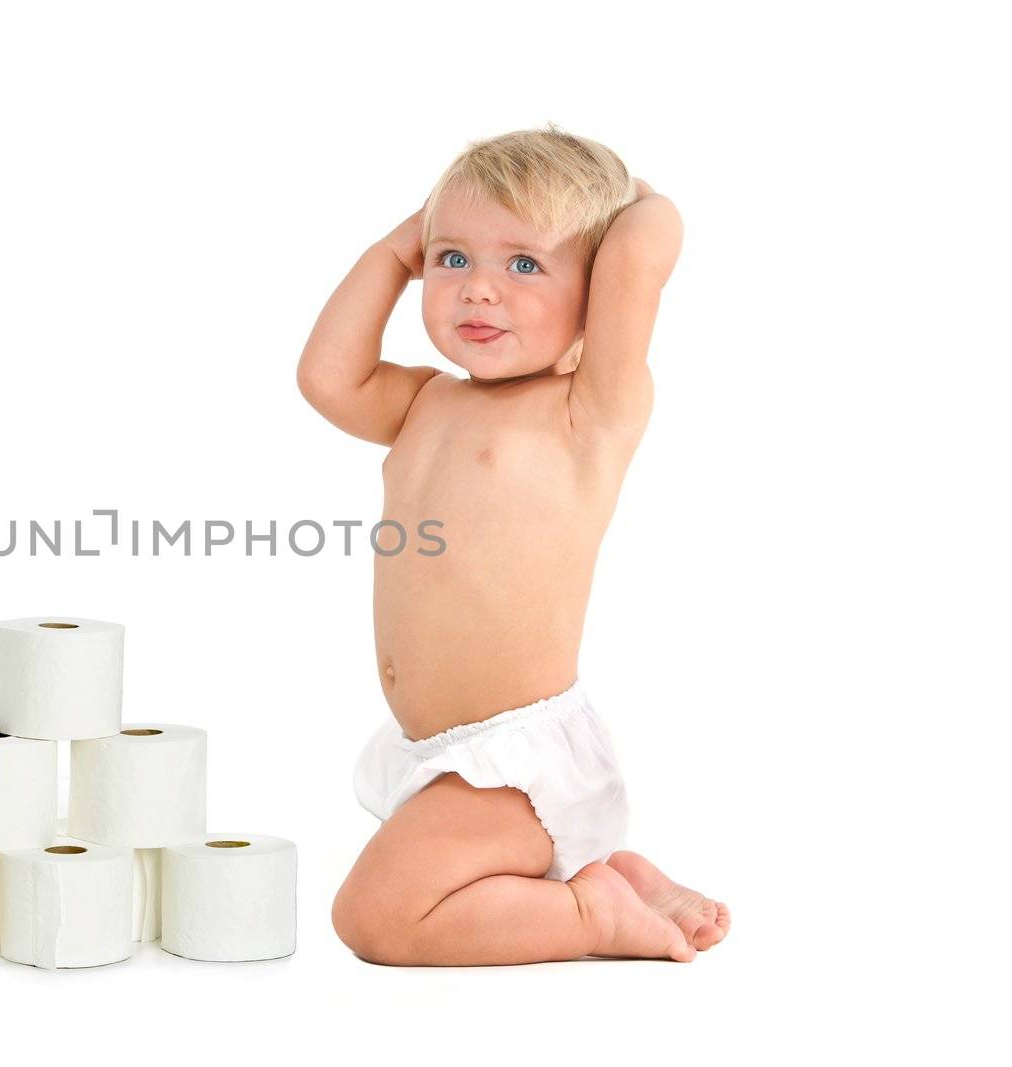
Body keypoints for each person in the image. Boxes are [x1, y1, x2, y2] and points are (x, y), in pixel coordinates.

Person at [298, 126, 728, 965]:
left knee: (376, 917)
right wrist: (395, 249)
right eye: (452, 258)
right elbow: (325, 378)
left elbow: (643, 249)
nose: (478, 291)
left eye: (524, 264)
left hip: (520, 758)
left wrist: (634, 199)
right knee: (409, 893)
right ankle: (608, 875)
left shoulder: (588, 411)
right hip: (442, 753)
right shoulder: (425, 402)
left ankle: (591, 914)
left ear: (598, 288)